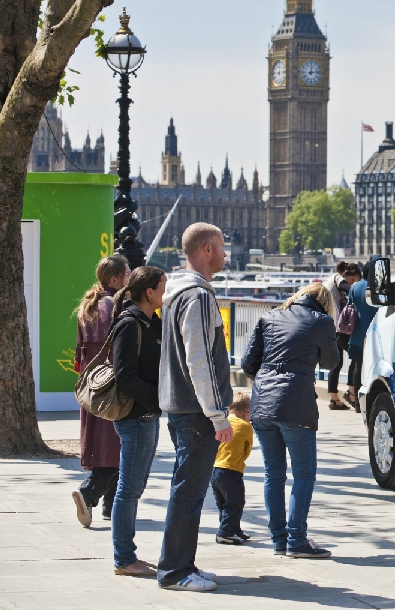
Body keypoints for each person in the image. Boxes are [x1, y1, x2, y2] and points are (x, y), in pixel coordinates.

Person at [156, 223, 233, 592]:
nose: (225, 254)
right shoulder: (198, 297)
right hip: (197, 411)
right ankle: (174, 571)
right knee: (188, 492)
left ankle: (182, 562)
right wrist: (218, 414)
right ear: (206, 249)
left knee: (185, 489)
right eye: (221, 247)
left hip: (178, 405)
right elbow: (199, 359)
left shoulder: (174, 295)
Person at [241, 282, 339, 558]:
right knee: (304, 474)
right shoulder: (321, 321)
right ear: (324, 302)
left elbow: (249, 363)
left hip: (263, 403)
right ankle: (297, 539)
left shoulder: (269, 316)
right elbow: (332, 363)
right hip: (296, 404)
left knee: (273, 474)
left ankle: (278, 540)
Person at [110, 265, 166, 577]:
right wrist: (156, 400)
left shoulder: (151, 322)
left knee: (135, 486)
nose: (166, 293)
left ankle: (126, 555)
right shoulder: (130, 324)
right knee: (128, 489)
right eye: (163, 287)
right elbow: (125, 376)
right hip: (135, 416)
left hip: (147, 415)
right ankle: (124, 558)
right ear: (149, 292)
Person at [71, 255, 129, 528]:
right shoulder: (119, 306)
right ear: (117, 279)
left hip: (90, 385)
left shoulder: (88, 306)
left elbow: (79, 355)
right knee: (118, 443)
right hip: (112, 385)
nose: (129, 279)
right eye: (127, 274)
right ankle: (90, 492)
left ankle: (111, 505)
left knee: (101, 444)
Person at [211, 392, 253, 545]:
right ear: (246, 412)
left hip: (215, 469)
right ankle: (225, 533)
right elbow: (247, 450)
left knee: (224, 504)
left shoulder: (222, 423)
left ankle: (234, 529)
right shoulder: (245, 426)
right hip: (231, 470)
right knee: (236, 503)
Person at [341, 259, 378, 411]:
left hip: (357, 333)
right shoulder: (376, 287)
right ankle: (371, 400)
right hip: (375, 333)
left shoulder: (355, 286)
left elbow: (350, 305)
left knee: (358, 366)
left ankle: (356, 401)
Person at [323, 262, 360, 410]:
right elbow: (349, 289)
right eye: (353, 280)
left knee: (336, 363)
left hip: (331, 327)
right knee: (356, 356)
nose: (353, 283)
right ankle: (352, 393)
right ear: (346, 274)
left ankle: (333, 398)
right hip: (339, 329)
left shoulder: (329, 280)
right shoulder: (338, 279)